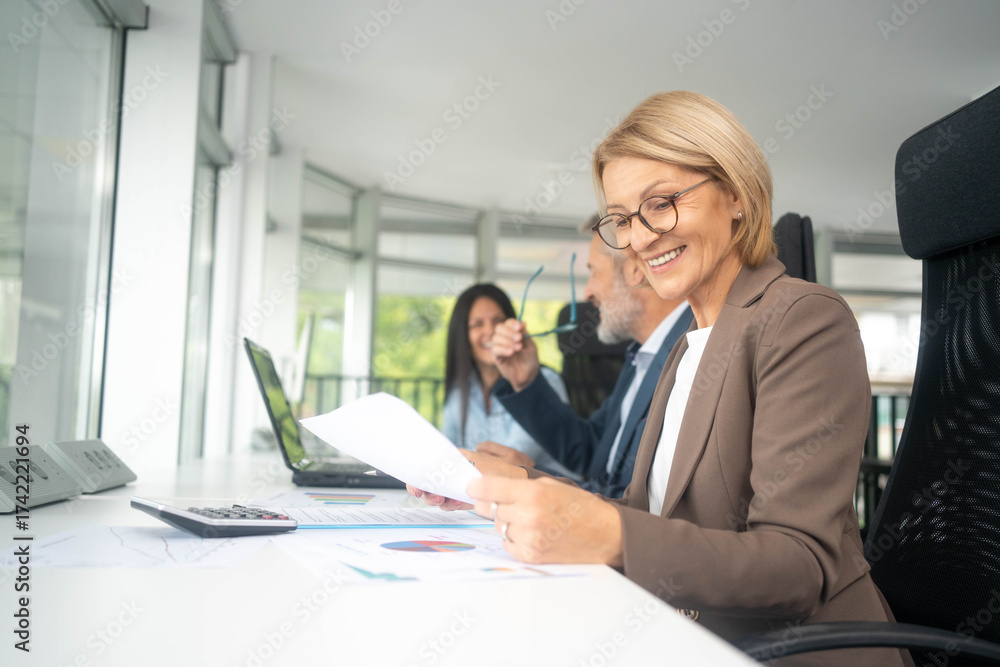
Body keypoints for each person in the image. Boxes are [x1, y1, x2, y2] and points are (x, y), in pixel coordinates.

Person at [414, 92, 910, 666]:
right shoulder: (686, 346)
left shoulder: (803, 318)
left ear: (736, 194)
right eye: (623, 219)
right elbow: (647, 514)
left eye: (661, 203)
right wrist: (522, 482)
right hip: (689, 637)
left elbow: (798, 566)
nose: (640, 238)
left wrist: (612, 536)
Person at [477, 227, 692, 498]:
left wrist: (528, 478)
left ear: (636, 270)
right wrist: (525, 380)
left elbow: (642, 505)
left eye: (593, 272)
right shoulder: (639, 358)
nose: (587, 293)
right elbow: (591, 450)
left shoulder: (691, 355)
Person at [440, 283, 580, 480]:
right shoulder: (461, 392)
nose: (490, 331)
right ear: (462, 335)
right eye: (477, 324)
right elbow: (445, 454)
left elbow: (510, 463)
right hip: (485, 492)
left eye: (498, 321)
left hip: (551, 492)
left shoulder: (541, 382)